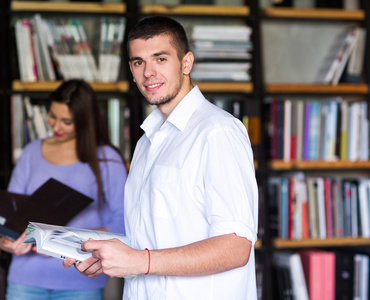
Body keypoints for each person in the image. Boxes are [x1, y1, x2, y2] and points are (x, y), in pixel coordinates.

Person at [63, 16, 259, 299]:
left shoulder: (218, 132)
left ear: (186, 63)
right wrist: (106, 256)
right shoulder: (146, 142)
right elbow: (150, 242)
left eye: (161, 58)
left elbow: (236, 247)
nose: (148, 73)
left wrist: (140, 260)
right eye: (138, 62)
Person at [0, 79, 127, 300]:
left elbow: (123, 221)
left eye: (66, 121)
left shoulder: (107, 159)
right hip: (25, 278)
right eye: (52, 116)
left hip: (81, 280)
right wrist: (5, 241)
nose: (56, 127)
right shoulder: (31, 153)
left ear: (85, 121)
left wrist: (65, 241)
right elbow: (10, 217)